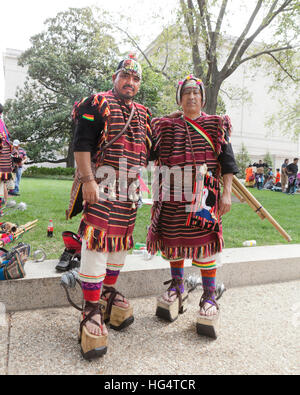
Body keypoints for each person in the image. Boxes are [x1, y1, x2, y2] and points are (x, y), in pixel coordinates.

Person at [66, 55, 153, 359]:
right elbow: (82, 144)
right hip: (100, 185)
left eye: (136, 78)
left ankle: (107, 294)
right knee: (97, 242)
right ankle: (90, 309)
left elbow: (153, 150)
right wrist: (88, 181)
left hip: (129, 190)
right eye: (125, 76)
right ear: (116, 77)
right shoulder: (97, 103)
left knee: (120, 244)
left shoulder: (143, 114)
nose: (131, 82)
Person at [147, 75, 239, 339]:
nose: (191, 97)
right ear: (180, 98)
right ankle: (177, 287)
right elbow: (150, 153)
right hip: (172, 194)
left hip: (204, 196)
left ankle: (209, 297)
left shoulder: (216, 125)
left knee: (206, 245)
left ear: (203, 98)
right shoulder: (164, 126)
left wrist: (227, 194)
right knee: (174, 242)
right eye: (186, 93)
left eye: (196, 93)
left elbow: (228, 162)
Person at [0, 104, 13, 208]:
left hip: (2, 158)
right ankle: (4, 203)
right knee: (3, 182)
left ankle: (2, 203)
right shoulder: (2, 125)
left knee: (2, 181)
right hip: (5, 159)